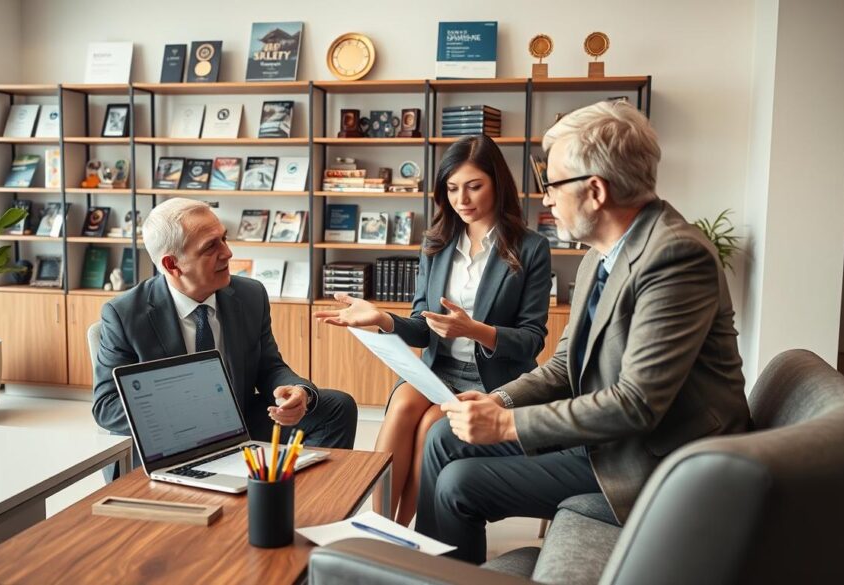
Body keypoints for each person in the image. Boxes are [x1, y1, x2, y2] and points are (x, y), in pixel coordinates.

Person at [414, 100, 751, 563]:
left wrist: (507, 424)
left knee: (459, 482)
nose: (547, 198)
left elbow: (637, 405)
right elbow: (560, 367)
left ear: (594, 190)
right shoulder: (599, 253)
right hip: (601, 436)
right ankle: (431, 571)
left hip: (652, 459)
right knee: (444, 436)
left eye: (551, 184)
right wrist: (500, 401)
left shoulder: (676, 257)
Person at [314, 135, 553, 524]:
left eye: (475, 186)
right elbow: (423, 328)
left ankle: (407, 531)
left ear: (498, 183)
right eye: (453, 188)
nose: (463, 199)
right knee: (404, 406)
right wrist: (382, 319)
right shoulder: (437, 243)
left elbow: (531, 340)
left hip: (492, 378)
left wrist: (475, 330)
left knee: (430, 426)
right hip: (436, 369)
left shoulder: (530, 248)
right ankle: (377, 526)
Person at [93, 199, 358, 477]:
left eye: (224, 239)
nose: (228, 252)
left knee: (336, 407)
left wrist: (297, 391)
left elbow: (269, 367)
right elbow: (107, 407)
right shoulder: (124, 314)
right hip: (168, 441)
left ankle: (297, 504)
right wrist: (191, 414)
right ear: (172, 264)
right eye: (211, 246)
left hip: (237, 421)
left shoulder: (250, 295)